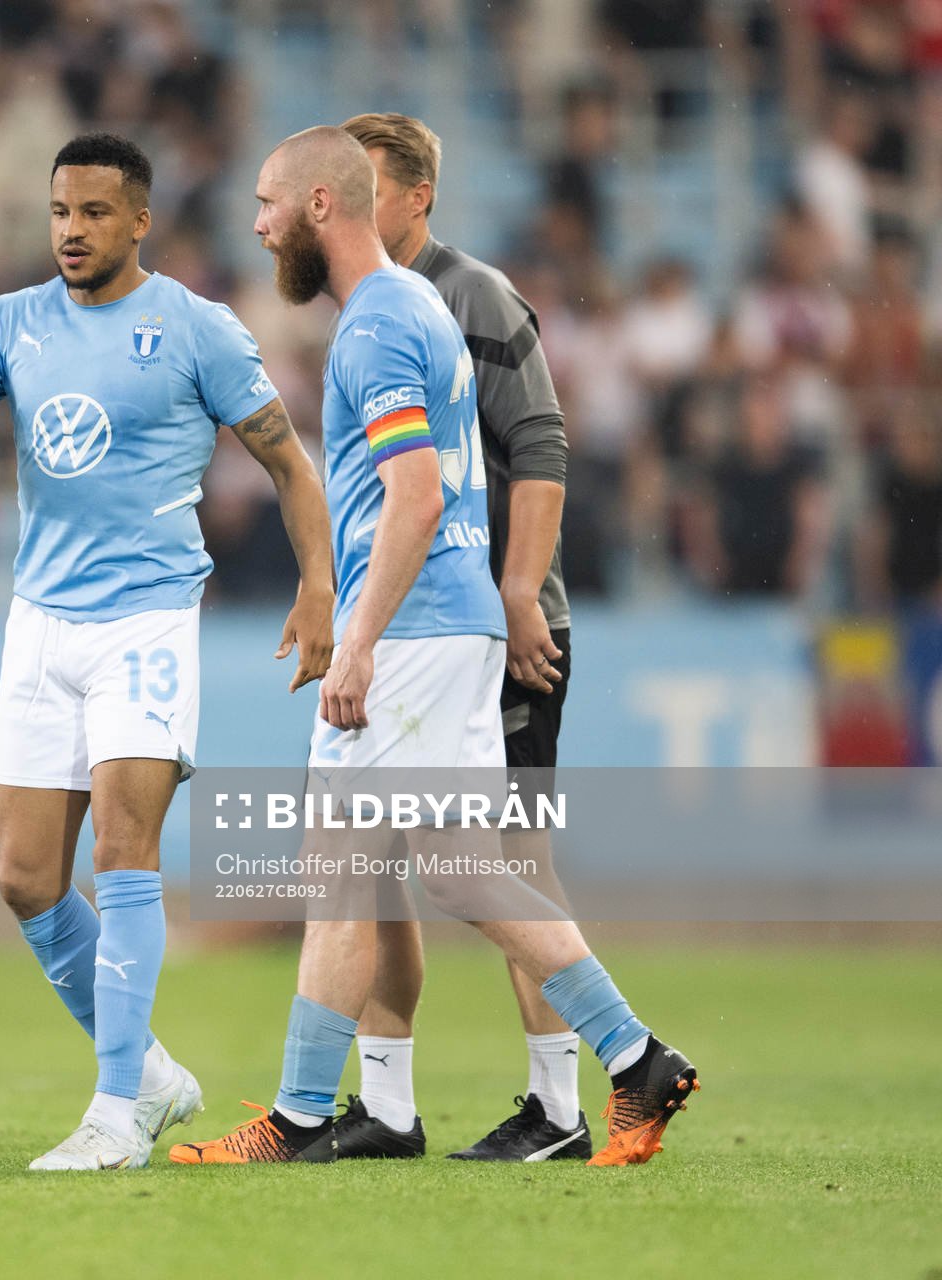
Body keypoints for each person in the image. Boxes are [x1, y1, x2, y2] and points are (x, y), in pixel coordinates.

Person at [170, 126, 698, 1169]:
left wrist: (357, 637)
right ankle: (636, 1056)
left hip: (411, 632)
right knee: (459, 870)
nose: (259, 222)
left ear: (325, 203)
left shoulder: (374, 327)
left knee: (340, 867)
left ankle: (301, 1114)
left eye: (270, 202)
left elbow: (416, 495)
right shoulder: (418, 308)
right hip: (454, 624)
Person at [0, 132, 336, 1171]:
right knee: (24, 874)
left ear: (139, 219)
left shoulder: (197, 330)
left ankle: (117, 1108)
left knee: (123, 851)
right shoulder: (10, 323)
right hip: (41, 620)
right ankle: (154, 1072)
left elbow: (290, 467)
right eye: (59, 213)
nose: (71, 231)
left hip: (147, 616)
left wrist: (320, 586)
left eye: (92, 213)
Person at [335, 111, 588, 1161]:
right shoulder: (363, 303)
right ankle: (385, 1102)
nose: (344, 204)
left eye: (369, 185)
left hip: (491, 628)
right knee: (370, 859)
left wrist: (521, 589)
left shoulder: (470, 293)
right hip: (408, 632)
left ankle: (565, 1103)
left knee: (504, 855)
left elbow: (540, 442)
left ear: (416, 197)